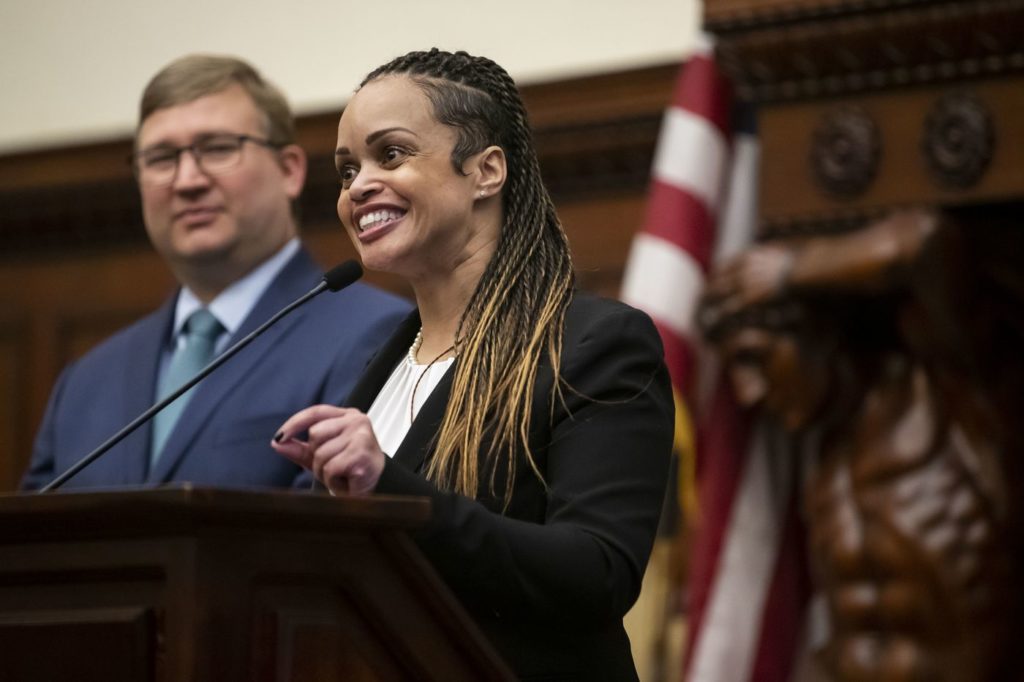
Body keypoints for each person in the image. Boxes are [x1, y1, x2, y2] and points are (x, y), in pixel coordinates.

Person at [270, 49, 674, 680]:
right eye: (348, 170)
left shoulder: (594, 344)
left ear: (486, 171)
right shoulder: (380, 367)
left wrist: (390, 488)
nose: (358, 187)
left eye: (391, 154)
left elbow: (596, 575)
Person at [20, 54, 410, 491]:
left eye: (218, 149)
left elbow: (335, 522)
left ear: (289, 170)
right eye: (161, 158)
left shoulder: (378, 336)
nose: (188, 180)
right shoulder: (85, 381)